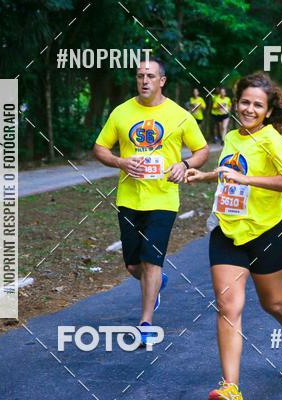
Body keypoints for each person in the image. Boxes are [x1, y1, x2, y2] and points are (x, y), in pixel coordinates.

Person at [185, 72, 282, 400]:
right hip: (228, 230)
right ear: (236, 103)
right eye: (244, 102)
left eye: (257, 105)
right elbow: (232, 172)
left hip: (268, 232)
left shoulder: (272, 140)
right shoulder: (232, 136)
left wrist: (248, 180)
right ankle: (230, 388)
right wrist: (205, 176)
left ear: (268, 111)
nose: (249, 109)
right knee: (228, 305)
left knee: (274, 303)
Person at [93, 58, 209, 345]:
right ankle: (156, 284)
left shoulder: (180, 115)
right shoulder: (121, 112)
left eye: (150, 76)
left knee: (151, 260)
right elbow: (100, 148)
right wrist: (120, 161)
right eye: (140, 76)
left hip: (164, 199)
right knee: (134, 266)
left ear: (162, 81)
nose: (144, 81)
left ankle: (145, 323)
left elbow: (202, 150)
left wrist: (184, 164)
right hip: (129, 198)